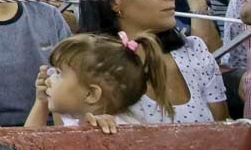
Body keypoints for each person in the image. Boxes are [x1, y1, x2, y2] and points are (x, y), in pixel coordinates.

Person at [79, 0, 228, 124]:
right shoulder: (88, 68)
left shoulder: (194, 51)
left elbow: (223, 130)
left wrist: (198, 2)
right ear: (114, 2)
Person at [24, 31, 171, 132]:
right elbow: (26, 144)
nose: (49, 80)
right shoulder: (75, 118)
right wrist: (41, 102)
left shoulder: (113, 130)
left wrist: (96, 135)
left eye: (59, 74)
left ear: (91, 94)